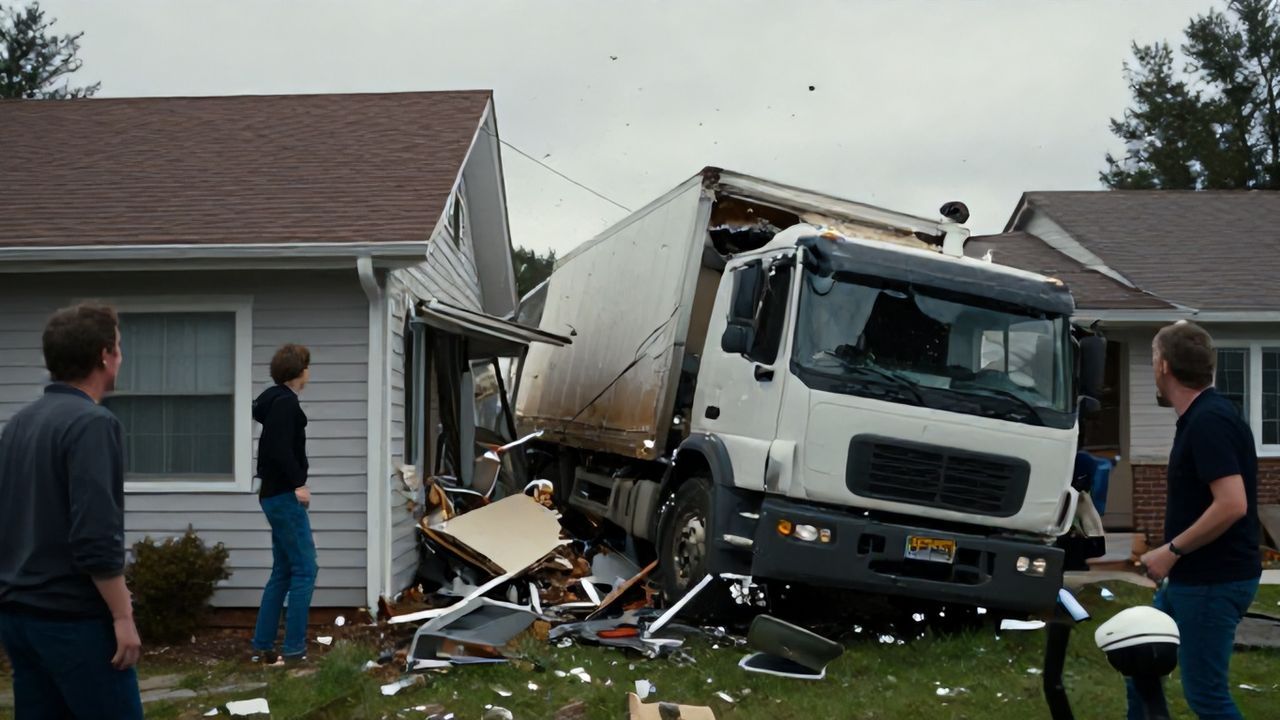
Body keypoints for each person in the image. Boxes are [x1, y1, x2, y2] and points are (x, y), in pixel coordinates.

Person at [0, 303, 144, 718]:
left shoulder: (19, 424)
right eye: (119, 347)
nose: (121, 356)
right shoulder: (92, 424)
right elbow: (96, 536)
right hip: (72, 622)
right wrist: (122, 615)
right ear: (104, 355)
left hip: (18, 619)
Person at [1128, 321, 1261, 720]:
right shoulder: (1203, 416)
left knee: (1206, 696)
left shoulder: (1209, 422)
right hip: (1191, 579)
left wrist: (1170, 551)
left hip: (1212, 581)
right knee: (1139, 663)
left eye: (1153, 359)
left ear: (1164, 366)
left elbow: (1232, 504)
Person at [250, 343, 316, 664]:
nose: (309, 372)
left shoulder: (274, 401)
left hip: (272, 495)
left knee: (284, 570)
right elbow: (277, 447)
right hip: (284, 496)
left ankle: (263, 646)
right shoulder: (286, 404)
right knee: (305, 569)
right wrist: (297, 485)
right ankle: (293, 651)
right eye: (307, 366)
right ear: (299, 371)